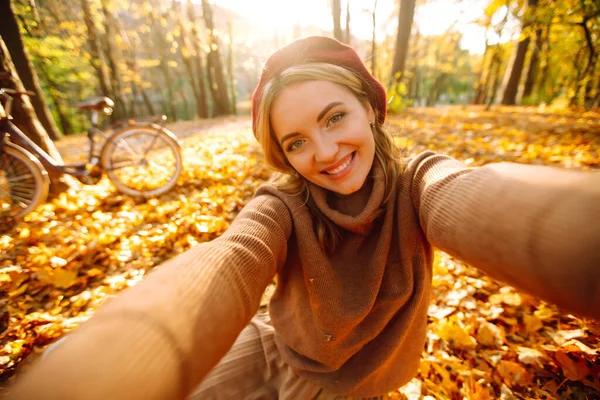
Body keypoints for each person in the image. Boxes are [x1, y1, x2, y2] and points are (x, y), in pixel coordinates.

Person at [5, 36, 599, 400]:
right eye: (295, 141)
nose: (324, 152)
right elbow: (232, 260)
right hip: (271, 341)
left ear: (369, 107)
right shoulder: (283, 203)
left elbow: (479, 200)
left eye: (335, 117)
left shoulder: (419, 182)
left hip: (350, 383)